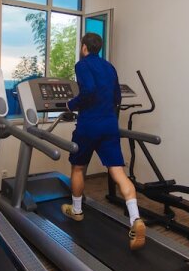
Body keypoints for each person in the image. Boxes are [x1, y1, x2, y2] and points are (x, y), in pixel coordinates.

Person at [62, 33, 146, 250]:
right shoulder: (110, 67)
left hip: (89, 125)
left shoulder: (82, 65)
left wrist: (71, 105)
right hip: (109, 124)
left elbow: (88, 90)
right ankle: (135, 218)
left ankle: (77, 210)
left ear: (84, 47)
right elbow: (117, 97)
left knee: (78, 167)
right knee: (118, 172)